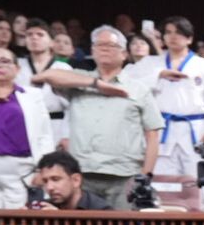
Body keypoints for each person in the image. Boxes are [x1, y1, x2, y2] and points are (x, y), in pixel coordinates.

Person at [31, 25, 162, 209]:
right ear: (92, 51)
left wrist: (145, 177)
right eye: (99, 45)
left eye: (111, 45)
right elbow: (43, 76)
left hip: (125, 175)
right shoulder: (78, 81)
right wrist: (96, 84)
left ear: (124, 54)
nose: (104, 49)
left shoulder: (138, 89)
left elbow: (152, 136)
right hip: (83, 175)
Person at [130, 17, 204, 180]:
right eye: (168, 32)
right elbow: (129, 84)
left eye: (179, 33)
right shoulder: (150, 63)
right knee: (162, 182)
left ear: (189, 38)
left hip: (196, 130)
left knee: (199, 182)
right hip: (162, 130)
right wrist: (159, 75)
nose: (173, 36)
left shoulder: (203, 65)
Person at [0, 46, 53, 208]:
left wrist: (43, 168)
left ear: (17, 68)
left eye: (5, 61)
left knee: (20, 218)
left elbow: (44, 134)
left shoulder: (32, 95)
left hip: (23, 169)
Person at [31, 151, 110, 210]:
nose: (49, 187)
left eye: (55, 179)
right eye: (45, 181)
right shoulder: (44, 208)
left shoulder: (101, 210)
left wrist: (58, 219)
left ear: (76, 180)